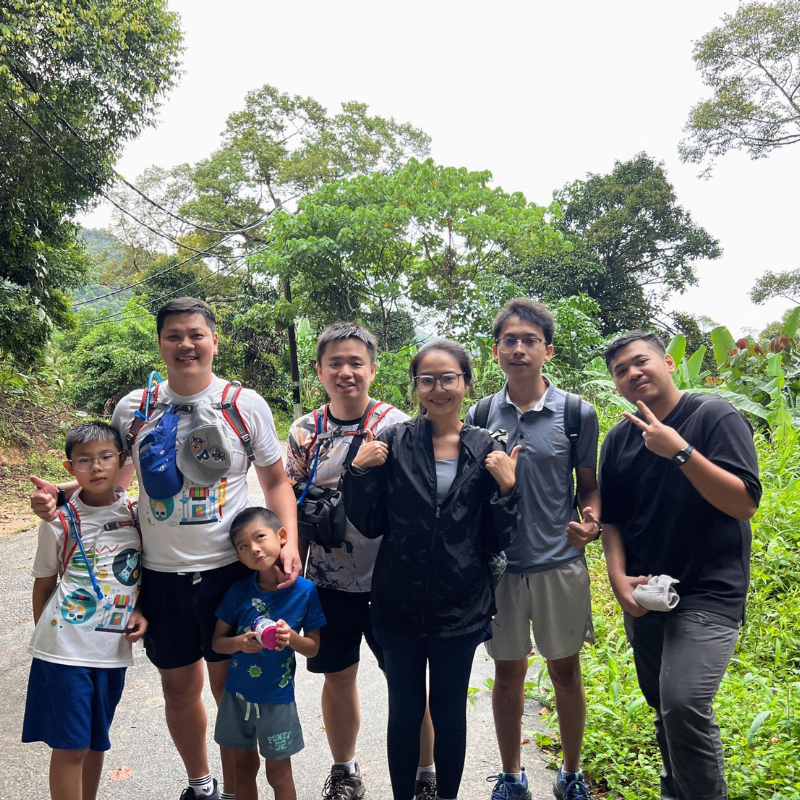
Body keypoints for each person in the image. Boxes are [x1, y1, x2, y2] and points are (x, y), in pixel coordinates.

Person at [30, 297, 300, 800]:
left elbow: (276, 481)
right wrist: (63, 495)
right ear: (160, 343)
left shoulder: (244, 405)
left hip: (227, 573)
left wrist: (289, 544)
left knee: (232, 693)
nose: (186, 344)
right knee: (179, 690)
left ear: (214, 341)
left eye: (196, 334)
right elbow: (116, 477)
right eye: (173, 335)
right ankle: (201, 784)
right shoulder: (136, 408)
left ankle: (243, 790)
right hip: (160, 575)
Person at [342, 339, 520, 800]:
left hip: (459, 607)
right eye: (427, 379)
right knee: (403, 711)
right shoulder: (393, 442)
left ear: (465, 382)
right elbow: (371, 522)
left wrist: (506, 491)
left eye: (448, 378)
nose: (438, 388)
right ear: (415, 385)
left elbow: (500, 539)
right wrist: (358, 474)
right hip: (397, 603)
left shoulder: (488, 449)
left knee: (448, 713)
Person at [599, 330, 761, 800]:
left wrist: (681, 452)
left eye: (640, 361)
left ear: (668, 363)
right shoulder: (618, 439)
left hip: (711, 588)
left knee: (684, 702)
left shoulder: (714, 415)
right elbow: (613, 519)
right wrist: (617, 580)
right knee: (663, 706)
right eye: (621, 371)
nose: (633, 373)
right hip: (648, 589)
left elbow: (744, 503)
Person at [285, 322, 436, 800]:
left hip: (391, 580)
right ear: (319, 371)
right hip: (328, 580)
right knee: (337, 676)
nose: (346, 372)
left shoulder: (396, 426)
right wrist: (292, 577)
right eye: (335, 363)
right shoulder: (305, 431)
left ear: (372, 368)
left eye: (355, 363)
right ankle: (345, 771)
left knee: (408, 680)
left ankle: (425, 774)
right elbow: (290, 502)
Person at [465, 299, 600, 800]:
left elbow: (588, 486)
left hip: (559, 564)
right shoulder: (479, 413)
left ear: (547, 349)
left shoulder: (575, 413)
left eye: (530, 340)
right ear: (497, 350)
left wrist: (592, 520)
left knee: (565, 670)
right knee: (507, 673)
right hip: (501, 568)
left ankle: (569, 773)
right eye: (509, 340)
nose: (519, 348)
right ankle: (512, 775)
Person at [23, 421, 147, 800]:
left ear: (122, 461)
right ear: (69, 469)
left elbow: (143, 576)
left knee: (95, 743)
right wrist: (53, 643)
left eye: (106, 457)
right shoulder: (59, 520)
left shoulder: (138, 516)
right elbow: (44, 585)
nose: (96, 468)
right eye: (84, 460)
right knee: (71, 746)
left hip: (111, 653)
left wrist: (140, 610)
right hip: (64, 651)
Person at [212, 506, 326, 800]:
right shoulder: (238, 590)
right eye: (244, 546)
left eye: (260, 537)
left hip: (277, 700)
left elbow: (313, 649)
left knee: (278, 773)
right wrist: (239, 642)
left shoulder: (305, 591)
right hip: (237, 698)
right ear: (238, 557)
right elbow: (217, 644)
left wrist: (291, 639)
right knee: (243, 768)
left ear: (282, 536)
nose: (255, 549)